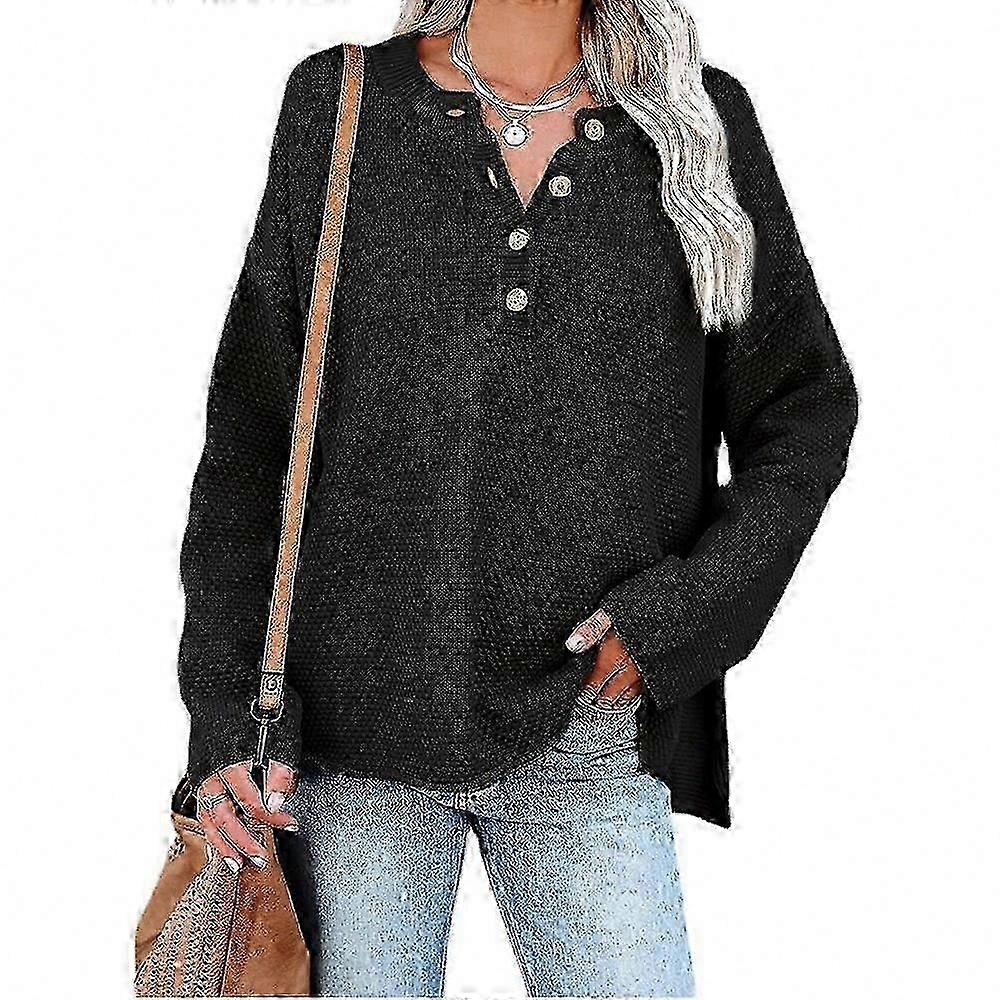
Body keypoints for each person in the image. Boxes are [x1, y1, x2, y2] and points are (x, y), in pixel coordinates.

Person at [176, 0, 858, 995]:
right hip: (344, 742)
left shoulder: (696, 120)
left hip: (588, 725)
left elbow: (801, 406)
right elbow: (250, 440)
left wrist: (681, 614)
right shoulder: (341, 104)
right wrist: (226, 715)